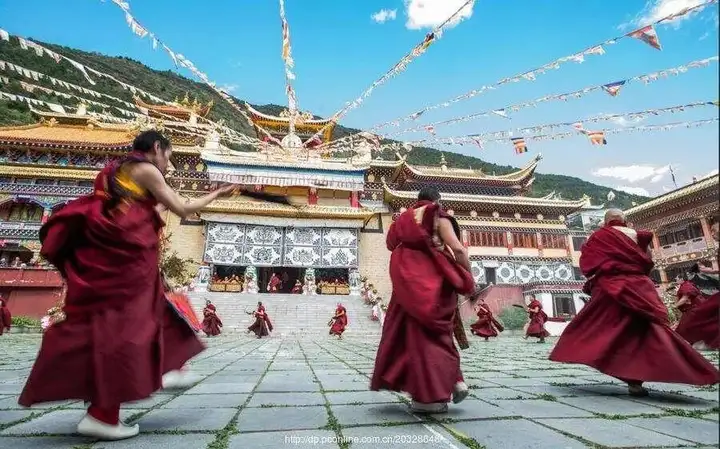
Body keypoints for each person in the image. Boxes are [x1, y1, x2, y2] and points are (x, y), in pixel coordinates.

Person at [17, 130, 236, 440]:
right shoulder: (146, 169)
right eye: (169, 157)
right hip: (127, 261)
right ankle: (107, 413)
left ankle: (164, 371)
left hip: (112, 261)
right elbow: (183, 208)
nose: (169, 165)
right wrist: (216, 195)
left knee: (133, 317)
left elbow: (138, 211)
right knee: (127, 326)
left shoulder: (113, 172)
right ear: (157, 147)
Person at [549, 209, 719, 396]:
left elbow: (587, 264)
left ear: (606, 222)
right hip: (639, 287)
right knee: (646, 331)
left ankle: (578, 351)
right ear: (624, 220)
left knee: (597, 326)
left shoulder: (599, 236)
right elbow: (648, 261)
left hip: (610, 287)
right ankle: (661, 375)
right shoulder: (638, 236)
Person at [370, 187, 475, 414]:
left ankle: (451, 382)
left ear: (417, 201)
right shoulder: (438, 216)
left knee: (408, 337)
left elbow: (391, 244)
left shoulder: (402, 220)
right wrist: (467, 277)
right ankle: (433, 397)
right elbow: (458, 250)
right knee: (437, 336)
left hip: (407, 288)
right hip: (434, 287)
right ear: (437, 201)